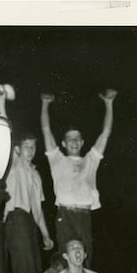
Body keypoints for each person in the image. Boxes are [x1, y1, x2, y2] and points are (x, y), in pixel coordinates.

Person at [0, 85, 54, 273]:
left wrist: (45, 234)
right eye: (27, 147)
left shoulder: (35, 174)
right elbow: (3, 135)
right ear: (19, 149)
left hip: (30, 225)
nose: (31, 151)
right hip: (15, 219)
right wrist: (2, 103)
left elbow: (39, 208)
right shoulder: (14, 163)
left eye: (35, 146)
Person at [40, 90, 117, 262]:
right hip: (64, 215)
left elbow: (105, 133)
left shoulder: (91, 159)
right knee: (66, 259)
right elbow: (46, 131)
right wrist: (45, 104)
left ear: (82, 142)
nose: (74, 142)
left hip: (84, 215)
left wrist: (109, 104)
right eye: (69, 139)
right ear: (64, 143)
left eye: (77, 138)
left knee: (85, 259)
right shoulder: (57, 159)